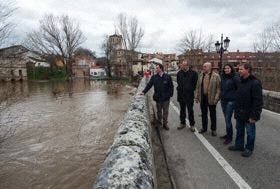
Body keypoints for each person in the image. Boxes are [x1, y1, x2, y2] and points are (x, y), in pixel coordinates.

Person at [228, 63, 263, 157]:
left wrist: (254, 116)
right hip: (239, 111)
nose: (239, 71)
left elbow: (258, 101)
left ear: (248, 70)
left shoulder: (255, 83)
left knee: (250, 132)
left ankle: (249, 148)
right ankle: (239, 145)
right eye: (239, 69)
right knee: (239, 130)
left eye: (241, 69)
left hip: (249, 113)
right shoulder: (240, 81)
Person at [140, 63, 174, 130]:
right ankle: (159, 122)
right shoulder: (154, 77)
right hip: (158, 97)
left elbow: (171, 87)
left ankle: (165, 124)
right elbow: (149, 85)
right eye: (156, 68)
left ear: (161, 69)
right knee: (159, 111)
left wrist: (170, 95)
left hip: (166, 98)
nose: (156, 69)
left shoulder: (167, 77)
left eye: (157, 68)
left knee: (165, 112)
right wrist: (143, 92)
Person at [195, 62, 221, 136]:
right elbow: (197, 87)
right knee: (204, 114)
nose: (203, 68)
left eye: (205, 66)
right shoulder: (200, 75)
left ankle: (213, 129)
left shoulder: (216, 76)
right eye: (203, 66)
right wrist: (196, 97)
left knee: (212, 114)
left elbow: (219, 89)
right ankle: (204, 128)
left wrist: (216, 99)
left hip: (212, 98)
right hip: (203, 98)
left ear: (209, 67)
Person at [220, 64, 240, 145]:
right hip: (223, 100)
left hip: (231, 102)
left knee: (228, 119)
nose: (226, 70)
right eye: (225, 68)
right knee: (226, 119)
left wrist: (234, 98)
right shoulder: (223, 77)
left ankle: (229, 137)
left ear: (231, 69)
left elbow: (239, 89)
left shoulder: (235, 78)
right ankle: (228, 134)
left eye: (228, 68)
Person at [176, 60, 198, 131]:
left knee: (190, 110)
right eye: (182, 65)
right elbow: (178, 83)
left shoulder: (194, 73)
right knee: (182, 110)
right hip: (181, 94)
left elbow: (195, 84)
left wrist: (190, 89)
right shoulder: (179, 73)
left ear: (188, 65)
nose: (182, 66)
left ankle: (192, 125)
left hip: (189, 95)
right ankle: (182, 123)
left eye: (184, 65)